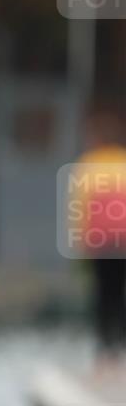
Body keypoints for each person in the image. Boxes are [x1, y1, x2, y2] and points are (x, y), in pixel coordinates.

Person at [71, 101, 126, 370]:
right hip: (123, 240)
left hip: (101, 242)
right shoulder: (123, 162)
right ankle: (119, 341)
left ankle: (105, 345)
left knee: (103, 292)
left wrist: (81, 239)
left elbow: (80, 205)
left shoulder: (88, 165)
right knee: (120, 290)